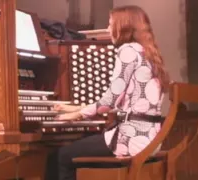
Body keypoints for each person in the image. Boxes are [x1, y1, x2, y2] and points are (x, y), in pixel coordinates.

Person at [45, 5, 170, 180]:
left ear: (123, 26)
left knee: (59, 158)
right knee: (76, 150)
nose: (107, 29)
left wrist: (77, 115)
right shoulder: (148, 53)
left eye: (111, 24)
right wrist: (76, 109)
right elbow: (130, 103)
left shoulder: (128, 50)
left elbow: (109, 101)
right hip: (150, 140)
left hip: (130, 139)